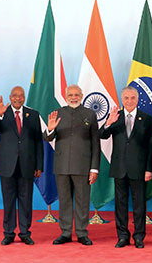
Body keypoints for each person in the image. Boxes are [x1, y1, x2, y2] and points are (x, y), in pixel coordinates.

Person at [44, 84, 100, 246]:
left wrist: (94, 168)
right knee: (65, 201)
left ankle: (82, 233)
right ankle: (66, 233)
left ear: (81, 96)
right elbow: (48, 138)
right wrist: (50, 129)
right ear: (66, 96)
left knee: (83, 201)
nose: (73, 97)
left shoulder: (89, 114)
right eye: (71, 95)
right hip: (61, 166)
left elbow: (95, 143)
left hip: (83, 166)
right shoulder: (58, 113)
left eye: (77, 94)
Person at [0, 86, 43, 245]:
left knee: (26, 201)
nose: (18, 98)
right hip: (6, 165)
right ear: (10, 97)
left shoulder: (33, 114)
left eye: (21, 96)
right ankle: (9, 233)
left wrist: (39, 165)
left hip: (27, 165)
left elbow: (38, 141)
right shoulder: (3, 112)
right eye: (15, 96)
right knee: (9, 201)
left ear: (24, 98)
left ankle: (25, 233)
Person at [99, 86, 152, 249]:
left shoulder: (147, 118)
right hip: (119, 167)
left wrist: (149, 169)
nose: (129, 101)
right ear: (122, 100)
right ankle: (122, 236)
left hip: (139, 168)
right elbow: (102, 135)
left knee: (139, 204)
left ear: (137, 99)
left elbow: (151, 147)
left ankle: (139, 236)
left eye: (132, 98)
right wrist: (108, 123)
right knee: (120, 204)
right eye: (126, 98)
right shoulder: (115, 117)